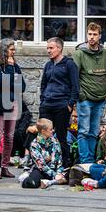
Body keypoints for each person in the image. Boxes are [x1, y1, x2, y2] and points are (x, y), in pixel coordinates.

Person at [73, 22, 106, 164]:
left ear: (100, 36)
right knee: (83, 131)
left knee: (94, 131)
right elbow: (74, 77)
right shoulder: (79, 54)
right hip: (85, 99)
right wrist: (81, 95)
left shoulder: (105, 54)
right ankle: (85, 161)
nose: (91, 37)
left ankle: (91, 160)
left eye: (95, 34)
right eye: (89, 34)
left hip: (101, 99)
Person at [39, 37, 79, 168]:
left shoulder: (69, 64)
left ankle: (64, 164)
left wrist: (70, 104)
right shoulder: (48, 65)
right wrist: (43, 100)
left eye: (51, 48)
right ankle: (45, 163)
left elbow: (75, 86)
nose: (48, 51)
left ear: (59, 48)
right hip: (47, 105)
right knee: (44, 136)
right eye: (47, 48)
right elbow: (43, 84)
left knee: (61, 137)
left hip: (62, 105)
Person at [0, 39, 26, 179]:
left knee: (9, 137)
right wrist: (11, 78)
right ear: (4, 50)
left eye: (14, 50)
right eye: (11, 50)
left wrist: (12, 70)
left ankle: (4, 166)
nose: (13, 53)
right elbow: (0, 83)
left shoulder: (15, 66)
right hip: (0, 104)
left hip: (13, 103)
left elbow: (22, 86)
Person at [21, 119, 66, 189]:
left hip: (54, 169)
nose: (53, 131)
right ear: (43, 131)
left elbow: (59, 159)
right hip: (40, 170)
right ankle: (26, 179)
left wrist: (58, 172)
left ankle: (48, 181)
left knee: (69, 176)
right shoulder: (34, 144)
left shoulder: (55, 141)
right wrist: (54, 175)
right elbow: (41, 165)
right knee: (32, 183)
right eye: (51, 129)